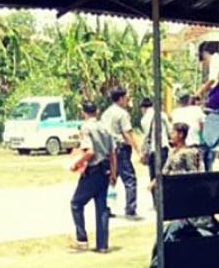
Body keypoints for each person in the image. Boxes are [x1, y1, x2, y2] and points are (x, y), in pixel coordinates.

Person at [70, 102, 117, 253]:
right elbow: (112, 153)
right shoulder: (105, 127)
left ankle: (81, 239)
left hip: (93, 170)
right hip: (105, 170)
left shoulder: (85, 128)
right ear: (97, 111)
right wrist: (114, 172)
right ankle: (102, 244)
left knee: (76, 203)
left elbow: (90, 152)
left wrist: (76, 163)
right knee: (101, 207)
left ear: (84, 112)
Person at [101, 86, 141, 219]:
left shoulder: (106, 113)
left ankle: (105, 207)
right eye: (126, 97)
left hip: (108, 149)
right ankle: (130, 209)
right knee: (130, 179)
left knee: (110, 178)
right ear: (121, 98)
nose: (128, 99)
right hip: (121, 149)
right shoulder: (122, 114)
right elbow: (127, 133)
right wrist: (138, 150)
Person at [139, 97, 171, 181]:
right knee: (163, 175)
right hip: (163, 148)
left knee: (153, 177)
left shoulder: (143, 120)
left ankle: (154, 189)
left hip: (152, 151)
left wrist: (142, 152)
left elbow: (147, 137)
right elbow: (170, 131)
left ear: (143, 108)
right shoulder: (161, 114)